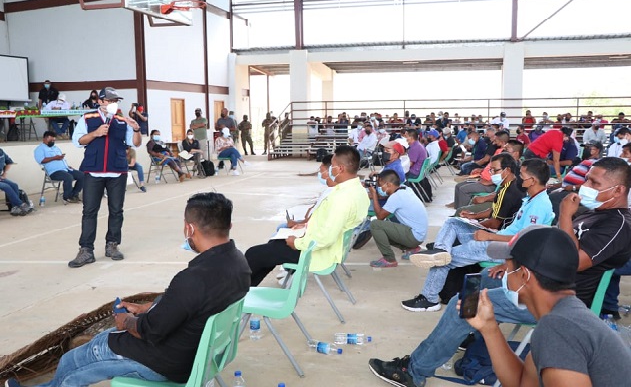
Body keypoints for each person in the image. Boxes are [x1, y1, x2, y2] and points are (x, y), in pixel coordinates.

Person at [368, 157, 631, 387]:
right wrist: (512, 264)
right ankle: (463, 333)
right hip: (535, 281)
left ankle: (414, 371)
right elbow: (551, 245)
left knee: (463, 306)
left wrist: (565, 214)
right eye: (587, 179)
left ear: (618, 190)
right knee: (476, 281)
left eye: (594, 183)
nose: (585, 186)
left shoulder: (616, 223)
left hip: (551, 297)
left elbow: (572, 261)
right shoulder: (592, 213)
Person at [4, 193, 251, 387]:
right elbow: (193, 305)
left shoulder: (193, 278)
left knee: (73, 359)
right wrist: (148, 307)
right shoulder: (238, 263)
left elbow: (149, 330)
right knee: (102, 338)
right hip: (197, 352)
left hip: (168, 362)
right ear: (229, 225)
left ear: (190, 229)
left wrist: (126, 321)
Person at [465, 226, 631, 387]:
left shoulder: (558, 328)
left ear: (524, 275)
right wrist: (489, 328)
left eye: (507, 267)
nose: (504, 274)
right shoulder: (564, 316)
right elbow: (522, 383)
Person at [403, 156, 551, 312]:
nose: (518, 177)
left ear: (532, 180)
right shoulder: (531, 198)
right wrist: (478, 224)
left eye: (521, 175)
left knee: (447, 259)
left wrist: (490, 237)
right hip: (499, 237)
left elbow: (525, 241)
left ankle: (429, 299)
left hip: (503, 246)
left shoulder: (540, 205)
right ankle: (441, 250)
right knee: (453, 223)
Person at [245, 145, 370, 286]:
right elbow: (330, 223)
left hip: (316, 253)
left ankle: (237, 296)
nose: (330, 170)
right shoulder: (358, 191)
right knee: (271, 248)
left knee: (253, 254)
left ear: (340, 168)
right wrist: (306, 225)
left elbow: (325, 238)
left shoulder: (342, 198)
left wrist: (297, 243)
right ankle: (248, 291)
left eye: (332, 166)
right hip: (324, 245)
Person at [67, 87, 143, 268]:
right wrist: (95, 133)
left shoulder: (122, 120)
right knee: (89, 211)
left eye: (115, 100)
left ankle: (112, 245)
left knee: (116, 210)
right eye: (109, 100)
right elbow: (77, 141)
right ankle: (86, 250)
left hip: (117, 171)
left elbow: (136, 143)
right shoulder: (87, 118)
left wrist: (137, 128)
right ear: (100, 101)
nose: (113, 103)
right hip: (94, 172)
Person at [368, 170, 428, 268]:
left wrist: (374, 195)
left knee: (376, 225)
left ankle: (389, 259)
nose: (379, 188)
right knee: (386, 229)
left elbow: (380, 216)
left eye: (380, 185)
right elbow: (387, 195)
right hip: (419, 235)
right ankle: (412, 248)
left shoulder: (396, 197)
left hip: (414, 236)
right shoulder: (405, 189)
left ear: (388, 184)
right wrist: (373, 194)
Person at [546, 141, 602, 223]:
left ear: (597, 151)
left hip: (576, 191)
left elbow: (592, 183)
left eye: (589, 147)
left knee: (553, 197)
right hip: (567, 188)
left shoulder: (595, 163)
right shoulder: (583, 162)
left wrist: (573, 187)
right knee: (543, 192)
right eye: (585, 147)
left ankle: (556, 224)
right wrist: (556, 185)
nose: (585, 149)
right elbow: (571, 180)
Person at [34, 131, 84, 203]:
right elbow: (41, 160)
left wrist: (67, 166)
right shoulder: (40, 149)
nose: (53, 142)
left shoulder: (55, 148)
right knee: (68, 177)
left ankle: (74, 194)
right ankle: (67, 197)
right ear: (44, 139)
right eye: (51, 140)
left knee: (82, 176)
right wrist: (54, 158)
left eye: (54, 140)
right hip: (54, 172)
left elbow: (61, 159)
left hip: (65, 169)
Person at [0, 147, 33, 216]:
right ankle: (20, 204)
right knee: (6, 186)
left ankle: (15, 208)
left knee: (14, 185)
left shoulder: (1, 152)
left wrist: (4, 173)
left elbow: (9, 162)